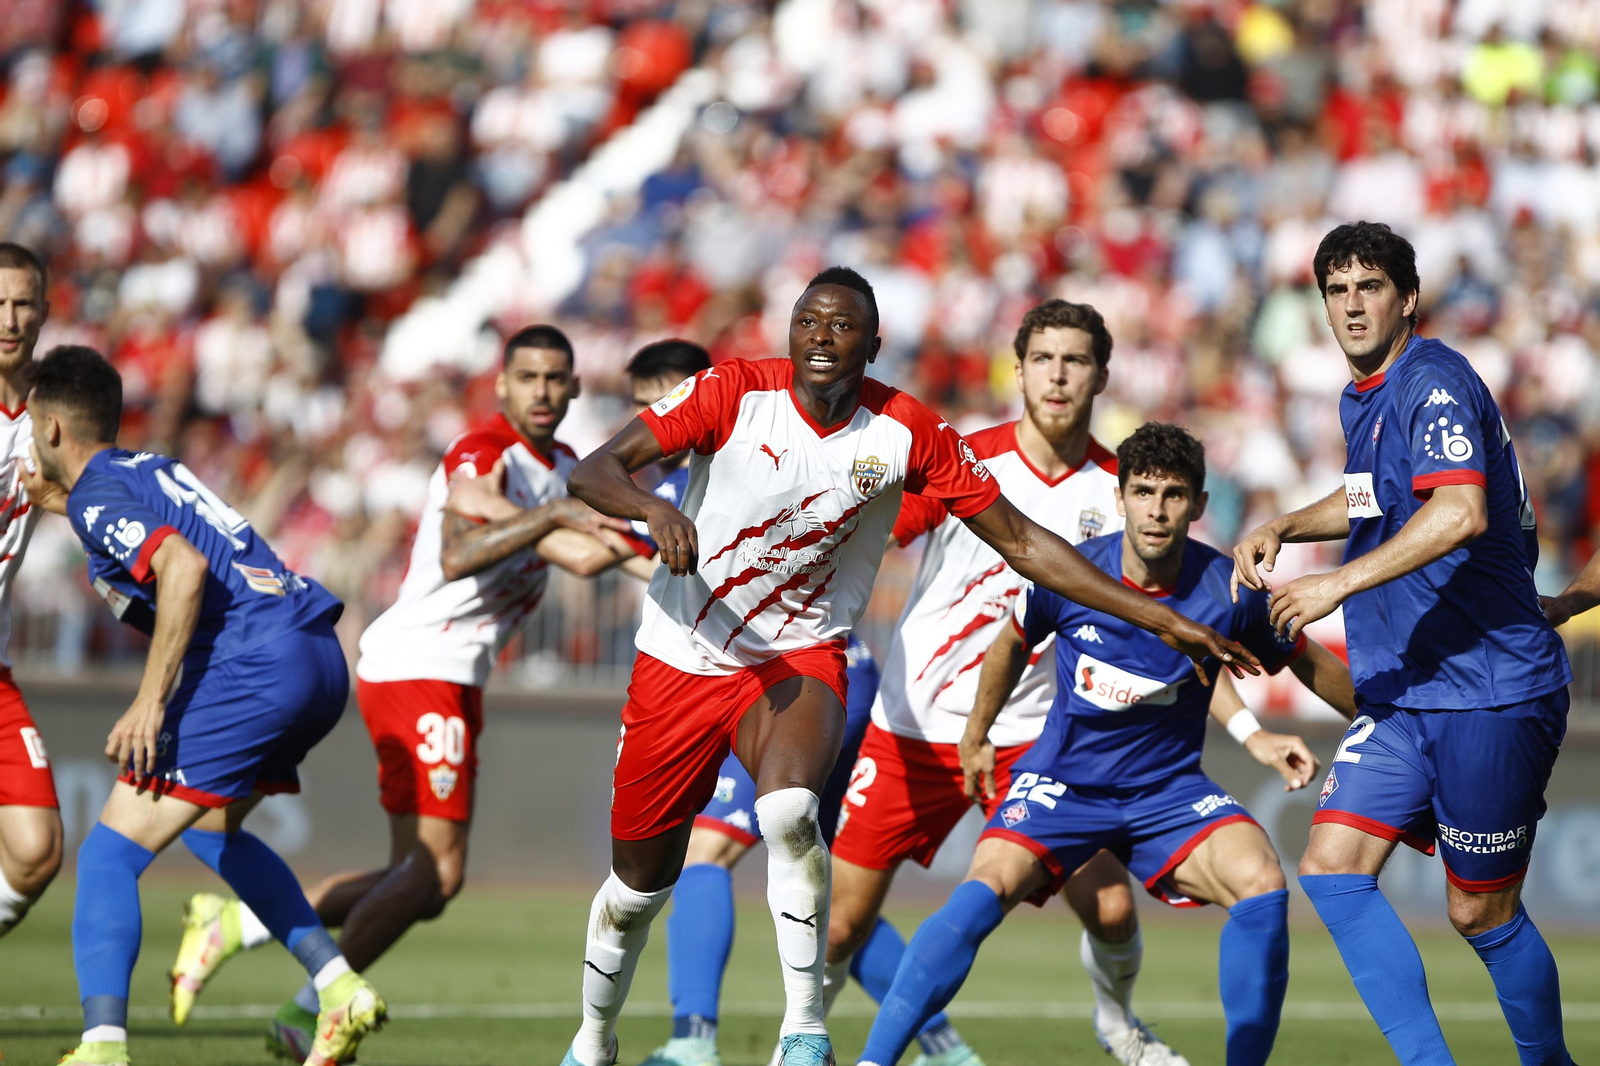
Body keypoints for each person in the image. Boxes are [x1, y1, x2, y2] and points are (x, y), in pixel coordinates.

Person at [557, 266, 1259, 1066]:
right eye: (809, 322)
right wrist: (653, 507)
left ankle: (805, 1035)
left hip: (807, 654)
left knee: (791, 814)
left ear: (874, 343)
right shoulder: (732, 391)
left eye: (843, 326)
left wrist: (1160, 615)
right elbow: (593, 470)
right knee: (639, 889)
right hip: (689, 656)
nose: (823, 338)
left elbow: (1027, 546)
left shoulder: (909, 431)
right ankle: (594, 1037)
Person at [168, 325, 639, 1060]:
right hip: (420, 666)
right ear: (503, 386)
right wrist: (553, 519)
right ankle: (316, 1007)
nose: (544, 392)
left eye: (556, 379)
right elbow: (464, 534)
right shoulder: (484, 452)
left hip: (450, 676)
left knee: (417, 877)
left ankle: (239, 930)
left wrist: (676, 562)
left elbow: (586, 553)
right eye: (530, 378)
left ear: (576, 388)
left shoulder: (567, 468)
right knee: (435, 872)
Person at [853, 422, 1356, 1066]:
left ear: (1200, 506)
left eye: (1174, 495)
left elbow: (1306, 661)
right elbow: (1011, 643)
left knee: (1261, 879)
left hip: (1168, 792)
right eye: (1143, 491)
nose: (1157, 509)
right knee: (984, 890)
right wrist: (978, 731)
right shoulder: (1073, 572)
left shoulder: (1227, 592)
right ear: (1119, 498)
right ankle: (874, 1061)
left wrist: (1380, 722)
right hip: (1062, 784)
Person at [1233, 221, 1575, 1065]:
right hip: (1409, 691)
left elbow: (1460, 511)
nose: (1352, 304)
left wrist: (1333, 583)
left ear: (1407, 298)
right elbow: (1369, 496)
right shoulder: (1368, 396)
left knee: (1479, 914)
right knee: (1331, 867)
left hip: (1490, 686)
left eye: (1370, 286)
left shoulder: (1434, 380)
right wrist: (1287, 523)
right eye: (1336, 290)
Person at [825, 300, 1186, 1066]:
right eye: (1044, 358)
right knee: (839, 928)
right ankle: (801, 1046)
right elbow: (874, 532)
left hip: (1038, 742)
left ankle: (1118, 1023)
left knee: (1115, 909)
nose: (1058, 375)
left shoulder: (1123, 491)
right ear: (1017, 370)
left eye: (1076, 360)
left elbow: (1164, 611)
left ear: (1101, 375)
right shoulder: (963, 459)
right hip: (914, 725)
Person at [30, 345, 383, 1066]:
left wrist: (149, 703)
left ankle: (102, 1047)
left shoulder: (99, 496)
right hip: (314, 649)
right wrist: (68, 506)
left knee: (107, 856)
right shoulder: (148, 469)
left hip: (253, 663)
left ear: (52, 430)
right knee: (213, 831)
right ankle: (337, 984)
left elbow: (182, 569)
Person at [0, 243, 65, 940]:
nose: (9, 318)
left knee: (35, 850)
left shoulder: (53, 419)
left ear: (44, 311)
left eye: (22, 302)